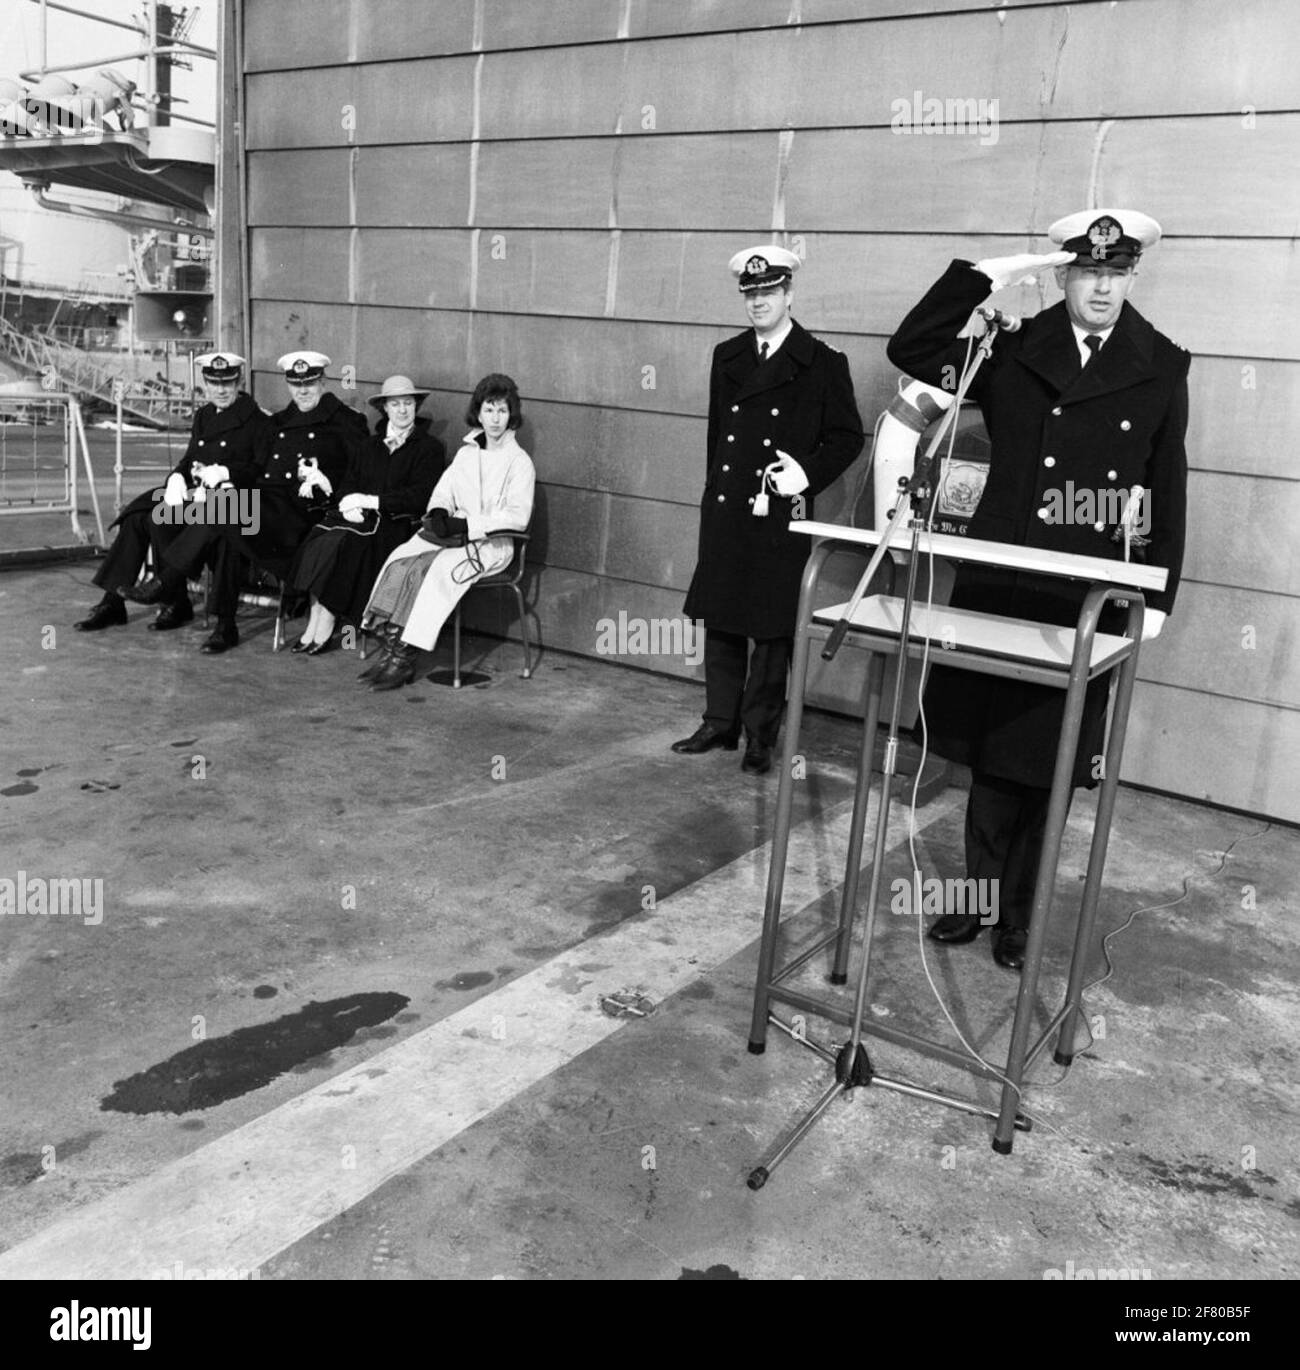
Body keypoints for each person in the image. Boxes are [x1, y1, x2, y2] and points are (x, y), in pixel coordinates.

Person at [886, 208, 1190, 970]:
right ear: (1063, 275)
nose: (1101, 287)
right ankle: (977, 901)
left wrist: (1154, 596)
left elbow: (1163, 487)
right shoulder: (1014, 353)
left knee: (1048, 762)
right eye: (1087, 272)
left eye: (1115, 273)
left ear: (1133, 276)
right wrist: (985, 277)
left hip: (1079, 594)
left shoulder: (1162, 364)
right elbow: (914, 347)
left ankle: (1018, 918)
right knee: (989, 758)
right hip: (1002, 580)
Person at [674, 244, 865, 774]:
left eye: (768, 292)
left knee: (772, 629)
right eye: (751, 293)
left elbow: (848, 437)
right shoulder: (728, 356)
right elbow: (718, 436)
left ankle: (760, 733)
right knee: (723, 618)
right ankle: (719, 721)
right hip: (730, 506)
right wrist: (714, 493)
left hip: (780, 512)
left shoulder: (822, 363)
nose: (758, 302)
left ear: (789, 294)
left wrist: (806, 473)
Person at [133, 350, 368, 654]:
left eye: (310, 382)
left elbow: (361, 471)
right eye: (296, 384)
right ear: (288, 385)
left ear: (323, 381)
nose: (303, 391)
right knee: (225, 525)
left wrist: (329, 485)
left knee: (224, 513)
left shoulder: (347, 421)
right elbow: (257, 465)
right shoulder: (280, 421)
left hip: (299, 516)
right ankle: (224, 625)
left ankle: (165, 582)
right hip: (263, 505)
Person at [359, 373, 534, 692]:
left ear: (512, 414)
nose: (495, 419)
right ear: (478, 413)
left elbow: (518, 517)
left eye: (502, 411)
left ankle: (405, 658)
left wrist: (468, 525)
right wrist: (440, 511)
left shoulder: (519, 462)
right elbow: (443, 492)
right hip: (453, 539)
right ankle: (393, 647)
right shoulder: (467, 453)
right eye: (489, 410)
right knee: (402, 560)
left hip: (491, 545)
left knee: (432, 570)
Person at [74, 352, 272, 633]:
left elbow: (262, 469)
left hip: (238, 502)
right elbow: (190, 459)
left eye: (227, 383)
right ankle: (113, 602)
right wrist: (177, 478)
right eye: (213, 382)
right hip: (199, 497)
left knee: (162, 518)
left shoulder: (258, 421)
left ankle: (170, 594)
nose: (220, 389)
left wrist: (226, 473)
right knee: (141, 516)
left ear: (239, 382)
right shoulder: (205, 415)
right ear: (205, 382)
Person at [286, 375, 446, 654]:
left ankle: (329, 618)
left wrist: (372, 501)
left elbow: (419, 496)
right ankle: (316, 617)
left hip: (393, 524)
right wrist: (350, 502)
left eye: (408, 403)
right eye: (395, 404)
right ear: (385, 408)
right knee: (320, 537)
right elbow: (349, 483)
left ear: (416, 406)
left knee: (345, 545)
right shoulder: (369, 446)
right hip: (357, 519)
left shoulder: (428, 448)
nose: (402, 410)